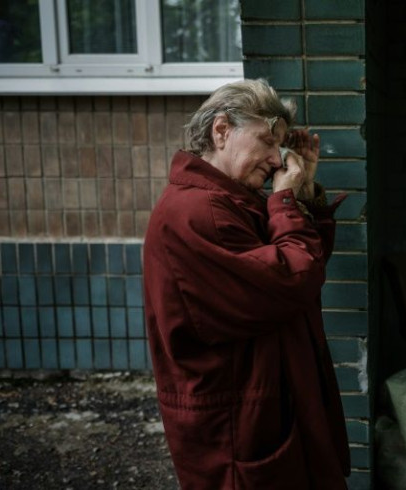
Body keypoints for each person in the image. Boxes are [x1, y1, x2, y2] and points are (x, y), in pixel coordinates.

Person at [143, 79, 350, 489]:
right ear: (221, 131)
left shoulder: (230, 199)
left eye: (280, 147)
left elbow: (301, 263)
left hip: (262, 404)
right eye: (266, 142)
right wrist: (286, 201)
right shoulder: (200, 213)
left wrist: (302, 195)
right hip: (238, 423)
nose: (277, 160)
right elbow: (296, 277)